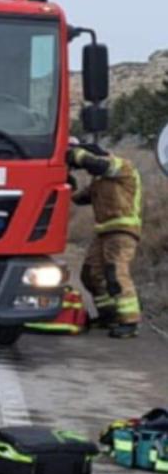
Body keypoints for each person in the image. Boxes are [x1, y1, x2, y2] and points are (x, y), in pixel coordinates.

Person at [68, 140, 143, 338]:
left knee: (116, 273)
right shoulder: (99, 181)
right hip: (103, 233)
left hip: (122, 231)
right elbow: (80, 198)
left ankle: (130, 322)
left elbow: (99, 164)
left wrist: (76, 154)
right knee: (90, 274)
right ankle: (108, 316)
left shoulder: (121, 166)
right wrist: (68, 184)